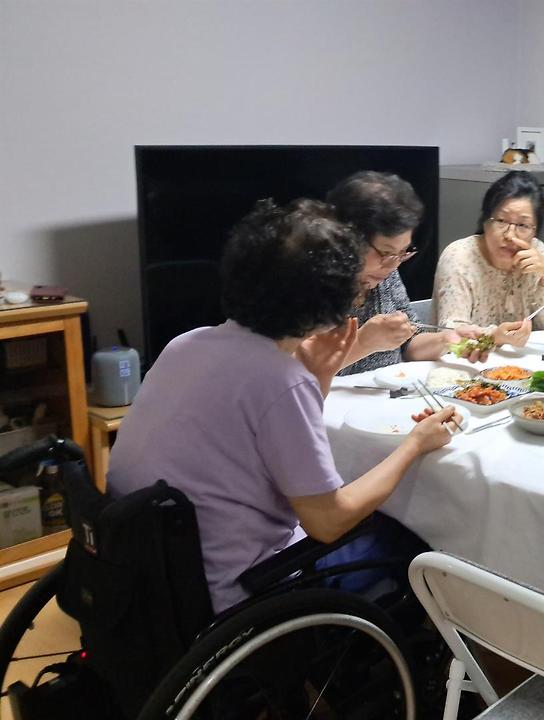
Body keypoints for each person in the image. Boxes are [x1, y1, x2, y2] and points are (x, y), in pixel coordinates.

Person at [107, 199, 460, 613]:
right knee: (414, 539)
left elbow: (277, 440)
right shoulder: (280, 380)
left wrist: (320, 374)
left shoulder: (185, 344)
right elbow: (328, 521)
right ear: (331, 301)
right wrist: (415, 444)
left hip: (147, 572)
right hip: (233, 591)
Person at [326, 171, 493, 375]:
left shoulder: (385, 272)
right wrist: (362, 343)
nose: (393, 265)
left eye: (403, 253)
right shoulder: (313, 283)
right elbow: (298, 374)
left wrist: (446, 340)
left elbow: (410, 345)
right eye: (386, 252)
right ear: (348, 240)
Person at [433, 170, 544, 337]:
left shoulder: (537, 253)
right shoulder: (459, 257)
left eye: (523, 225)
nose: (510, 235)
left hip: (523, 354)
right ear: (485, 221)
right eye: (501, 221)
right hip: (470, 355)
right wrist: (494, 337)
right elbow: (451, 334)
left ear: (535, 230)